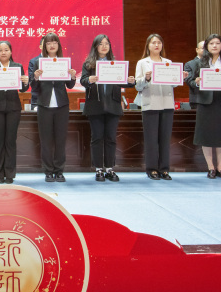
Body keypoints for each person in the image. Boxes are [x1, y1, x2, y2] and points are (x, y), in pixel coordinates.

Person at [80, 34, 135, 183]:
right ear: (95, 46)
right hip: (95, 106)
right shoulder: (89, 64)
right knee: (97, 137)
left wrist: (130, 81)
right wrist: (89, 79)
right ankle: (99, 169)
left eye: (107, 43)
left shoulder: (115, 64)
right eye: (101, 44)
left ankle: (110, 168)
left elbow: (121, 82)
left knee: (111, 138)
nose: (104, 46)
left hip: (113, 105)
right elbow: (83, 81)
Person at [135, 33, 187, 181]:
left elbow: (173, 84)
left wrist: (180, 78)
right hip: (150, 104)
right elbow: (137, 85)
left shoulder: (168, 62)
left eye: (159, 42)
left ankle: (164, 169)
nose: (156, 45)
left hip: (167, 104)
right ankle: (151, 169)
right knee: (151, 139)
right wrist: (146, 78)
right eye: (153, 42)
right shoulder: (142, 63)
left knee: (165, 139)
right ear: (148, 46)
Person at [29, 32, 76, 182]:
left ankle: (59, 171)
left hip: (62, 105)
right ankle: (48, 171)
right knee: (46, 140)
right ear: (44, 46)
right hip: (44, 105)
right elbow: (33, 86)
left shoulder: (64, 62)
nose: (52, 45)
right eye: (48, 43)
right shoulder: (38, 62)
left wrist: (72, 76)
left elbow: (70, 85)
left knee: (60, 140)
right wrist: (36, 77)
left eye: (54, 42)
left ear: (59, 45)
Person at [191, 34, 221, 180]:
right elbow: (192, 82)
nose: (214, 46)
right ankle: (211, 168)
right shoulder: (200, 63)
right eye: (211, 43)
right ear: (207, 46)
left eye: (217, 43)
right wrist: (197, 82)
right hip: (206, 103)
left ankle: (220, 168)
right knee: (206, 135)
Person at [0, 41, 30, 184]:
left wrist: (26, 82)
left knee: (10, 141)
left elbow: (23, 89)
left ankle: (10, 173)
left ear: (11, 52)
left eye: (6, 49)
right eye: (0, 50)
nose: (3, 52)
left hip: (13, 108)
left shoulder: (17, 67)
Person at [183, 41, 205, 109]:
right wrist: (196, 83)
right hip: (198, 100)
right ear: (197, 50)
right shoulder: (190, 64)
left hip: (215, 101)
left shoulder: (214, 63)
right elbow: (189, 81)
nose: (205, 50)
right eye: (203, 48)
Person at [27, 35, 46, 110]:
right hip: (38, 100)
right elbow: (32, 83)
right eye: (45, 44)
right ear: (40, 46)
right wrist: (36, 77)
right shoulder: (33, 61)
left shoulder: (58, 61)